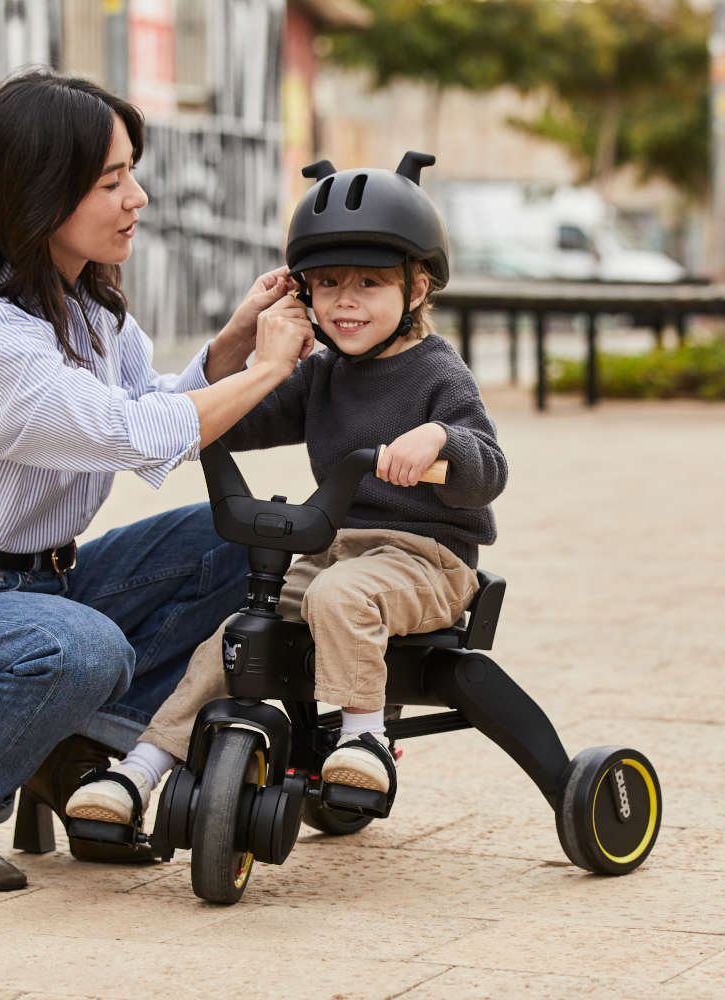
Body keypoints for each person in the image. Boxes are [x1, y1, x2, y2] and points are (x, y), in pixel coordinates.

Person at [0, 70, 313, 892]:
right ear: (41, 192)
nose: (137, 196)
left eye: (131, 171)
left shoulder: (92, 313)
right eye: (112, 180)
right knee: (87, 648)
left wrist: (235, 344)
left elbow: (158, 410)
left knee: (234, 539)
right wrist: (271, 370)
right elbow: (132, 436)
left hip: (48, 588)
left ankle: (78, 752)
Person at [67, 153, 508, 825]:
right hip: (340, 555)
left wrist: (442, 443)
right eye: (327, 284)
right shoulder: (322, 373)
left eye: (369, 283)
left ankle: (366, 740)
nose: (346, 301)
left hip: (429, 563)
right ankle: (143, 768)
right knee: (237, 634)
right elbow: (237, 418)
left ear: (417, 289)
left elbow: (490, 466)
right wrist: (260, 367)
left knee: (338, 594)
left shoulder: (437, 375)